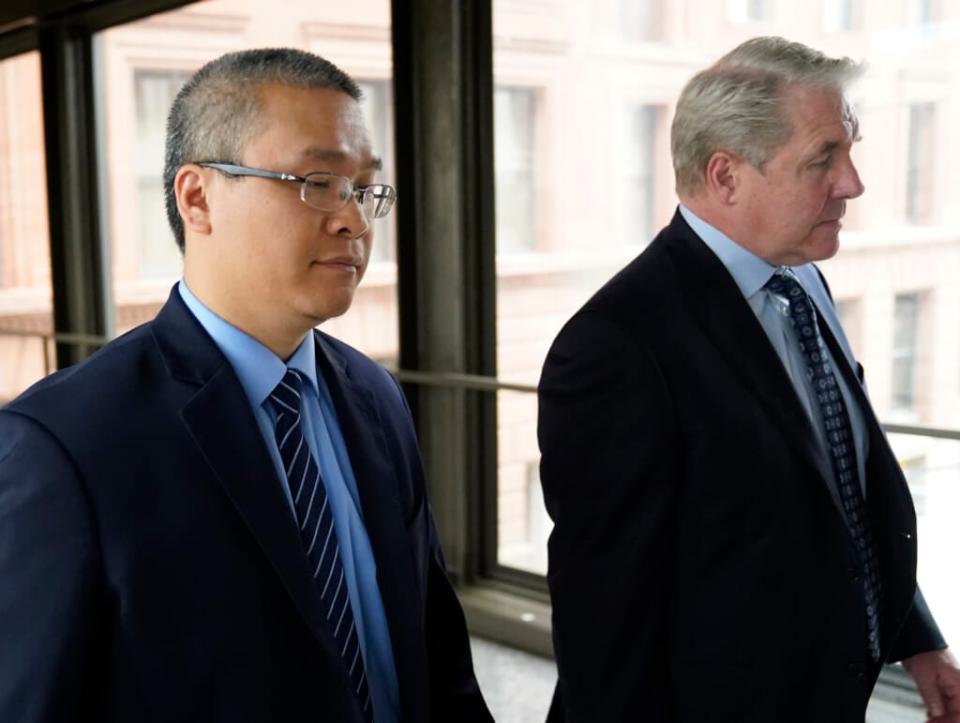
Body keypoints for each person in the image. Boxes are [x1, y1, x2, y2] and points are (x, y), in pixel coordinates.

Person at [0, 48, 492, 723]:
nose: (353, 219)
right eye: (318, 181)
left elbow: (436, 655)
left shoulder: (375, 396)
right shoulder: (67, 445)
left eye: (363, 187)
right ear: (197, 197)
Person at [538, 36, 960, 722]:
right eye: (823, 158)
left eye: (849, 152)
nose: (852, 182)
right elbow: (605, 629)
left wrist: (917, 636)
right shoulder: (614, 346)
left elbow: (840, 489)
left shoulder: (803, 279)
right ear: (726, 176)